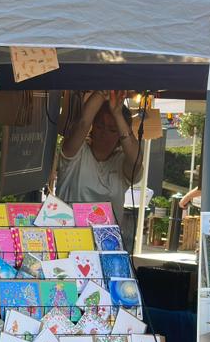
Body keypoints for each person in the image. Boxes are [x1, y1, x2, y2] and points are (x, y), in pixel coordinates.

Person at [56, 90, 144, 239]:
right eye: (99, 126)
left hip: (106, 244)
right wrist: (103, 91)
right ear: (92, 127)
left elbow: (136, 159)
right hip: (68, 240)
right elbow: (83, 122)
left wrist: (117, 114)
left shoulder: (122, 161)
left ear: (120, 136)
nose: (104, 133)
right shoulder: (76, 153)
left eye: (112, 129)